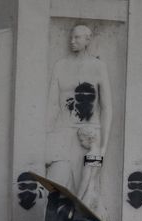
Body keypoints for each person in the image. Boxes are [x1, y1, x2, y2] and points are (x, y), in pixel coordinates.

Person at [46, 24, 112, 201]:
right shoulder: (60, 66)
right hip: (64, 133)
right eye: (71, 37)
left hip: (91, 137)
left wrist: (103, 147)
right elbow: (51, 106)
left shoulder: (98, 67)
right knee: (57, 184)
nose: (72, 41)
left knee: (88, 191)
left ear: (88, 40)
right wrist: (47, 142)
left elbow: (107, 108)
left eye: (77, 37)